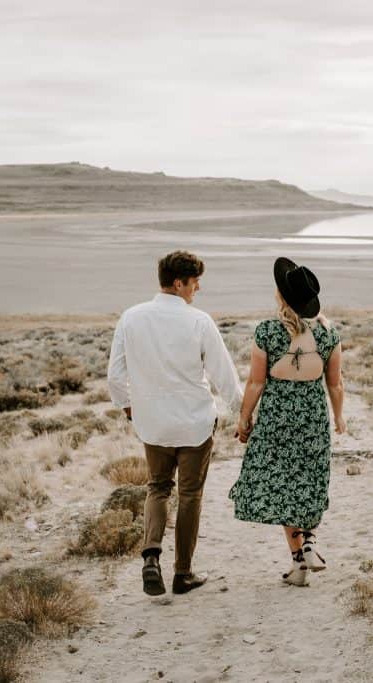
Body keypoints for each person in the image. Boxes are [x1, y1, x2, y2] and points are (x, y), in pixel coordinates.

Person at [107, 250, 242, 596]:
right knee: (190, 495)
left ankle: (151, 555)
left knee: (157, 486)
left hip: (153, 424)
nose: (197, 290)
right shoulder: (199, 321)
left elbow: (115, 376)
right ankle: (183, 573)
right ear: (179, 283)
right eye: (195, 283)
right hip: (195, 423)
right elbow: (223, 375)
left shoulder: (131, 318)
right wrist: (243, 413)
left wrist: (128, 408)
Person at [228, 257, 345, 587]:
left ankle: (299, 561)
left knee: (283, 489)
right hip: (312, 420)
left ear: (280, 295)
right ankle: (308, 547)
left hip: (277, 420)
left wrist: (244, 419)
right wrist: (338, 416)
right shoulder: (328, 334)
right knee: (309, 485)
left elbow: (255, 383)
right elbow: (335, 384)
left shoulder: (267, 331)